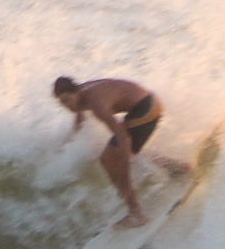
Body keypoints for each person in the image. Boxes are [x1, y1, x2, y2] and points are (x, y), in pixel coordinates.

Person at [53, 76, 164, 228]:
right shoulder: (82, 92)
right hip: (147, 103)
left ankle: (136, 214)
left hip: (146, 110)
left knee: (109, 160)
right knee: (124, 152)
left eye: (67, 100)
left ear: (76, 92)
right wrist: (72, 137)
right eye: (62, 102)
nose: (66, 106)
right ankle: (176, 168)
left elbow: (123, 138)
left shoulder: (97, 105)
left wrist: (125, 173)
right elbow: (79, 112)